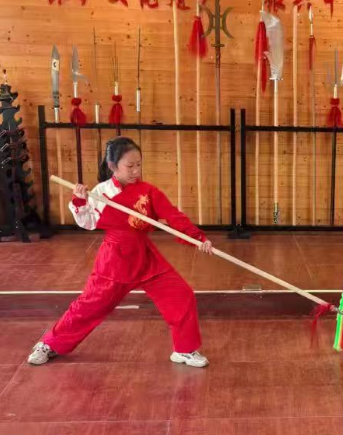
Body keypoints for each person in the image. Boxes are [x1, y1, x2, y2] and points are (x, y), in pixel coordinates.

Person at [28, 137, 212, 367]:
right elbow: (87, 223)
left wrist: (198, 238)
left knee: (181, 295)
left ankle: (184, 350)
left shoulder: (148, 191)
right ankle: (50, 344)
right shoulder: (101, 193)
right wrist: (80, 200)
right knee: (89, 306)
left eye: (139, 165)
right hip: (115, 260)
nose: (136, 171)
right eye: (130, 166)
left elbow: (173, 215)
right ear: (112, 166)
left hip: (145, 256)